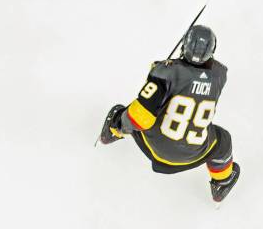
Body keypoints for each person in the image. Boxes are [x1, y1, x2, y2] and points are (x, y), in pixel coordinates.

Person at [98, 25, 240, 203]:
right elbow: (201, 75)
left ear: (183, 45)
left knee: (130, 112)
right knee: (223, 140)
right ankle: (222, 182)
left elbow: (140, 118)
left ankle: (111, 133)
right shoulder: (220, 75)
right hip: (194, 153)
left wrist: (158, 73)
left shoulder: (166, 73)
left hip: (155, 149)